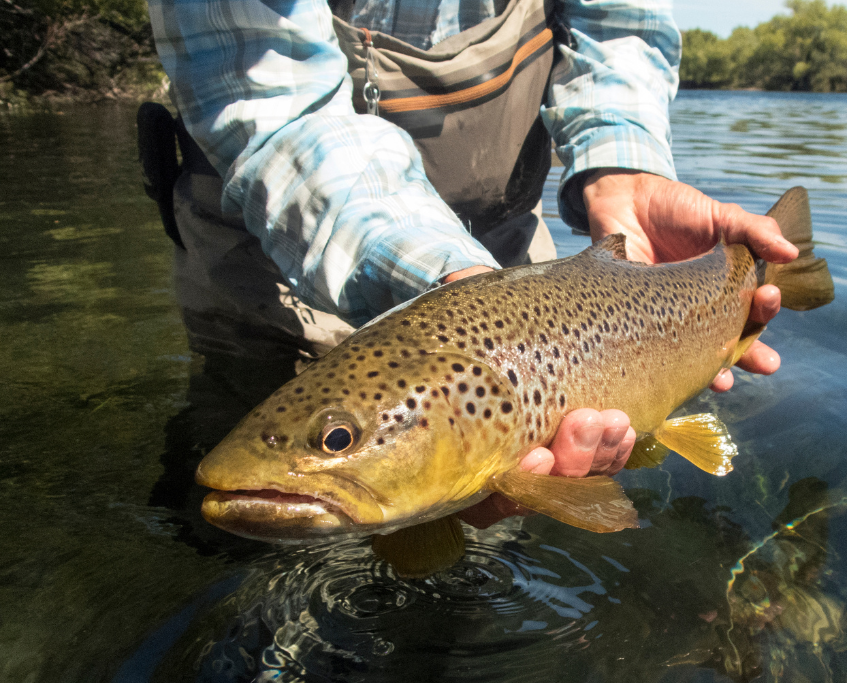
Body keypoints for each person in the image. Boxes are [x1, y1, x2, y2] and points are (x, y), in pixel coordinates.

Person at [143, 0, 797, 529]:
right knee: (228, 544)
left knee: (493, 535)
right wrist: (458, 278)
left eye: (336, 440)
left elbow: (619, 28)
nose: (333, 444)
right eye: (336, 438)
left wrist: (623, 172)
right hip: (276, 240)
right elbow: (269, 96)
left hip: (508, 250)